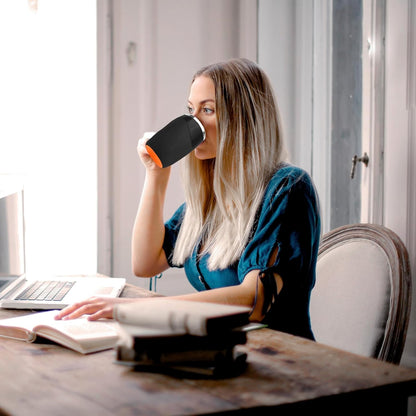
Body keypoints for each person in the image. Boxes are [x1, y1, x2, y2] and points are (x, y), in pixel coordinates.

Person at [56, 58, 321, 340]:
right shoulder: (215, 195)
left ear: (244, 120)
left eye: (208, 110)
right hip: (223, 347)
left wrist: (137, 308)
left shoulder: (287, 188)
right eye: (190, 110)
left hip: (281, 357)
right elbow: (146, 262)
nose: (194, 122)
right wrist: (156, 176)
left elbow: (255, 299)